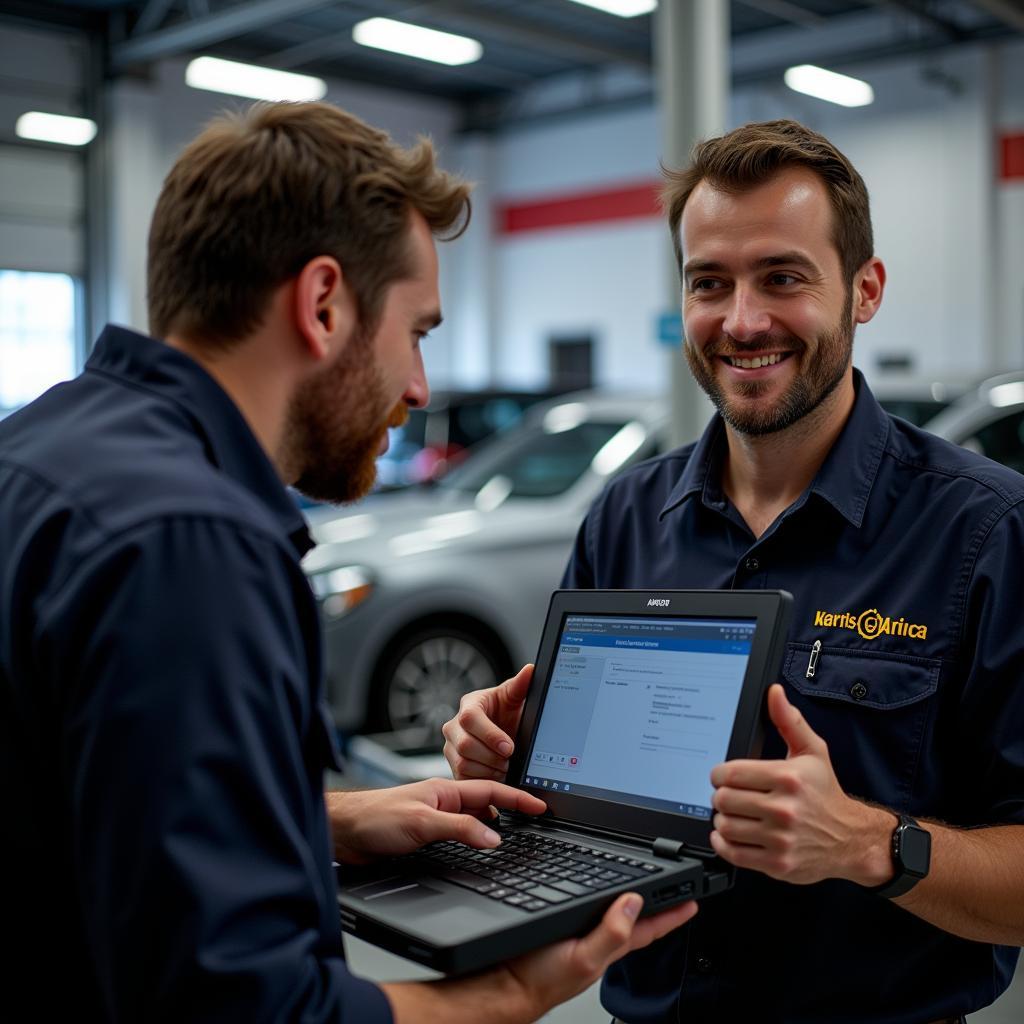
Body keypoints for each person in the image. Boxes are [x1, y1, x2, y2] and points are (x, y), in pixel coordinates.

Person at [0, 101, 696, 1023]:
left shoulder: (39, 450)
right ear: (323, 303)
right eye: (418, 332)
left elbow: (79, 808)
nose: (417, 387)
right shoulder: (194, 547)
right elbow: (246, 1008)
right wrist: (506, 995)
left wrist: (324, 822)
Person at [442, 119, 1024, 1023]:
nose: (742, 321)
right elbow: (565, 798)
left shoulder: (984, 533)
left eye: (783, 277)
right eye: (709, 283)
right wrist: (507, 756)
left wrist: (873, 844)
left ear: (865, 291)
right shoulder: (624, 517)